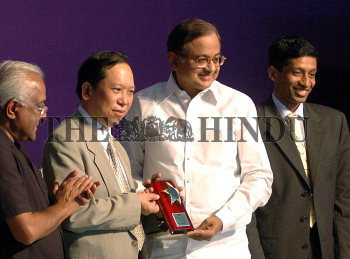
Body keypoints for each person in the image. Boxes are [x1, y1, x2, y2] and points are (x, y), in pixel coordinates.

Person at [122, 18, 273, 258]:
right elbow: (128, 174)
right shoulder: (142, 104)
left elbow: (259, 177)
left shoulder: (238, 104)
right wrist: (152, 198)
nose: (211, 67)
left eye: (217, 59)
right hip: (165, 247)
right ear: (174, 60)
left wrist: (224, 219)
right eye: (201, 59)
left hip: (226, 248)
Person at [42, 51, 161, 259]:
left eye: (131, 92)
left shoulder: (116, 146)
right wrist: (136, 203)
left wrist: (156, 205)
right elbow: (73, 212)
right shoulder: (65, 140)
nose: (125, 101)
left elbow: (127, 217)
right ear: (87, 91)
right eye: (117, 90)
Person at [255, 36, 350, 258]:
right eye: (297, 73)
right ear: (273, 73)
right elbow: (246, 203)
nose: (306, 82)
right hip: (275, 250)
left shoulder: (334, 121)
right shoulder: (251, 122)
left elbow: (344, 196)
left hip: (324, 248)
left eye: (312, 74)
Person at [0, 60, 97, 258]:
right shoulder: (2, 152)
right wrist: (67, 204)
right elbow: (27, 231)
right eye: (39, 107)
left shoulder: (13, 148)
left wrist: (55, 201)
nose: (44, 116)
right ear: (12, 108)